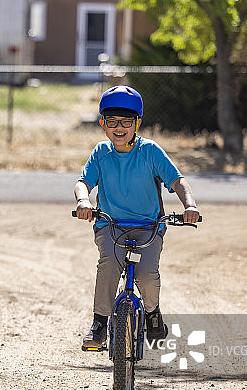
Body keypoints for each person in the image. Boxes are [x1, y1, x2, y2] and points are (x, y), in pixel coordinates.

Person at [74, 85, 200, 349]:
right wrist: (83, 201)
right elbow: (83, 183)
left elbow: (177, 181)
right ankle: (99, 323)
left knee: (146, 273)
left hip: (149, 227)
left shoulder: (150, 151)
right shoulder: (101, 153)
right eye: (112, 121)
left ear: (137, 123)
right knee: (109, 264)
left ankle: (152, 313)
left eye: (126, 121)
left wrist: (190, 206)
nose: (119, 127)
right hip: (110, 226)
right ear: (102, 123)